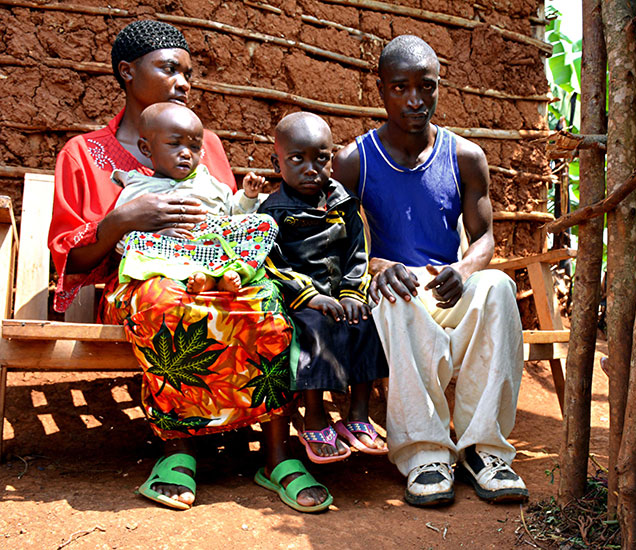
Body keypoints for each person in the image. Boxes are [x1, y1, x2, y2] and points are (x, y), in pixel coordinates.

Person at [48, 19, 330, 513]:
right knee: (166, 304)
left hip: (210, 270)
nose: (184, 82)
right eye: (169, 69)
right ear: (127, 72)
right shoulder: (84, 154)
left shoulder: (208, 145)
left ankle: (277, 454)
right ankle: (179, 452)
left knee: (265, 302)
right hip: (138, 286)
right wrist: (122, 220)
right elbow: (70, 257)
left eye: (189, 73)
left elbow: (222, 215)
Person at [333, 35, 529, 506]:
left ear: (441, 87)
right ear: (380, 89)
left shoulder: (465, 156)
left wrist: (464, 269)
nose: (415, 100)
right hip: (392, 285)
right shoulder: (353, 161)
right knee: (393, 295)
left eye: (427, 86)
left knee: (499, 285)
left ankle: (484, 451)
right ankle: (425, 454)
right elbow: (336, 242)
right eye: (400, 87)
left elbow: (484, 238)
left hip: (448, 283)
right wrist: (378, 265)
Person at [259, 112, 388, 463]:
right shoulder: (272, 212)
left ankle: (358, 413)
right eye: (297, 159)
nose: (311, 168)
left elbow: (358, 253)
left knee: (366, 321)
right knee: (314, 327)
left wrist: (350, 293)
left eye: (321, 158)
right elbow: (271, 263)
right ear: (277, 162)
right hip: (300, 301)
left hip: (340, 295)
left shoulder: (343, 204)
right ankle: (314, 415)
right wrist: (311, 297)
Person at [113, 102, 273, 294]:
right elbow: (122, 241)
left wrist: (248, 196)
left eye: (195, 147)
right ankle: (204, 280)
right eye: (174, 144)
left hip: (213, 251)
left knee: (265, 224)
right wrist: (159, 236)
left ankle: (229, 274)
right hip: (170, 255)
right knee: (136, 241)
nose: (186, 153)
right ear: (146, 149)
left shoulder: (210, 183)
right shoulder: (137, 188)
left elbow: (234, 214)